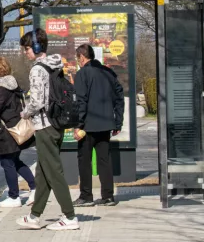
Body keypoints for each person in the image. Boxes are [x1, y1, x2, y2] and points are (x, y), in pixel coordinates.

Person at [15, 29, 79, 231]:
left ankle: (69, 216)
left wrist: (24, 113)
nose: (25, 53)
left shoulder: (37, 70)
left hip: (44, 126)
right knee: (43, 171)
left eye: (26, 49)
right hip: (57, 124)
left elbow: (38, 101)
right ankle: (34, 216)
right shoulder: (54, 65)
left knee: (53, 172)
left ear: (34, 48)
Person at [72, 44, 125, 207]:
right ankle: (108, 196)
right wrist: (118, 121)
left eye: (77, 58)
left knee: (84, 161)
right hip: (105, 124)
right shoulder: (108, 72)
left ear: (82, 56)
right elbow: (119, 97)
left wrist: (78, 125)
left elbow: (81, 101)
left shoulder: (82, 74)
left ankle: (86, 196)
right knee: (104, 160)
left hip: (87, 125)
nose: (78, 61)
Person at [0, 56, 36, 208]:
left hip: (8, 130)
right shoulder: (11, 83)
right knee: (15, 161)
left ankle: (14, 196)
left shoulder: (1, 87)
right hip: (15, 127)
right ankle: (34, 187)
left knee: (7, 162)